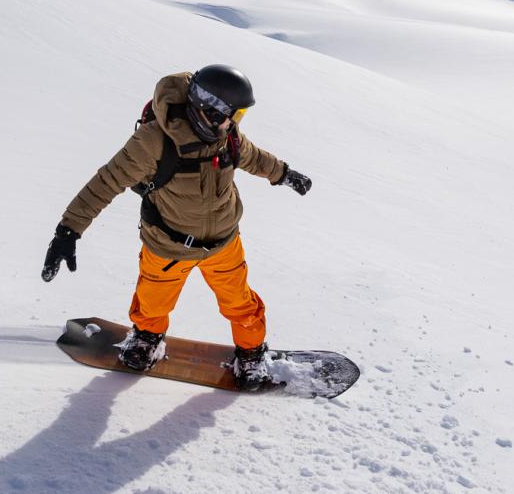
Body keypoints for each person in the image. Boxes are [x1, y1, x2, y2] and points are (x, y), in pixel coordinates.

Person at [40, 64, 312, 389]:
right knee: (152, 303)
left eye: (239, 116)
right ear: (209, 110)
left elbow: (255, 158)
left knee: (240, 304)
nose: (234, 123)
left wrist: (284, 174)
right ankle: (147, 339)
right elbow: (106, 182)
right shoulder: (153, 141)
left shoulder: (227, 136)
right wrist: (68, 231)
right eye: (233, 115)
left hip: (223, 244)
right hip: (168, 246)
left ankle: (251, 354)